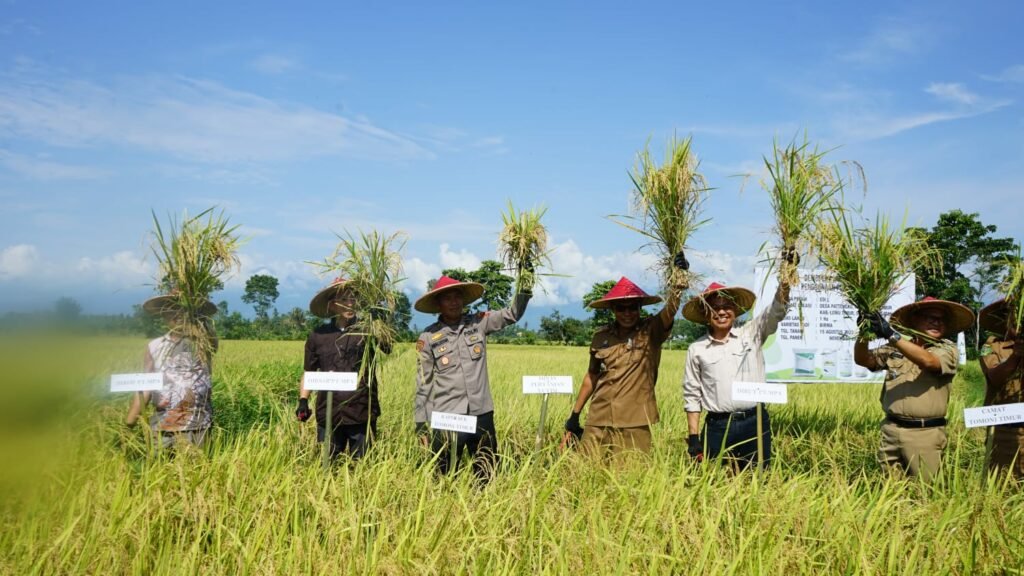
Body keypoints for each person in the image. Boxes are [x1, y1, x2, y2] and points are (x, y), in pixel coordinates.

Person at [561, 252, 688, 456]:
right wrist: (574, 415)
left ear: (640, 308)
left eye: (633, 308)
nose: (627, 313)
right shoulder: (601, 337)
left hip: (634, 421)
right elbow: (592, 376)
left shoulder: (650, 331)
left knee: (632, 471)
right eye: (621, 308)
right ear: (613, 309)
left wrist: (678, 283)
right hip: (598, 418)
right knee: (587, 469)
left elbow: (670, 310)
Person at [413, 275, 531, 481]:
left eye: (457, 297)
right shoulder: (428, 337)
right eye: (447, 298)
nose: (454, 302)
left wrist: (526, 284)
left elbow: (512, 313)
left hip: (481, 413)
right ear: (438, 304)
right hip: (448, 416)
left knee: (487, 473)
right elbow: (424, 382)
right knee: (443, 477)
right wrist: (421, 423)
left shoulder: (479, 323)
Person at [854, 297, 974, 481]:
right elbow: (863, 359)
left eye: (941, 319)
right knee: (889, 488)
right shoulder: (894, 349)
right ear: (914, 320)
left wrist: (891, 334)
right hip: (891, 430)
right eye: (930, 317)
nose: (936, 322)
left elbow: (929, 361)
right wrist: (864, 332)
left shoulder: (947, 349)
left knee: (926, 490)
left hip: (924, 434)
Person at [682, 275, 791, 470]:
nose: (721, 312)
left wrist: (786, 279)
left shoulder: (752, 333)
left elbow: (776, 310)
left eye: (726, 306)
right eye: (714, 308)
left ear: (734, 310)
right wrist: (694, 437)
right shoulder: (697, 349)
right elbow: (692, 395)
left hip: (754, 422)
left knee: (758, 478)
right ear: (706, 313)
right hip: (717, 426)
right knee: (713, 480)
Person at [296, 278, 390, 462]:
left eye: (353, 299)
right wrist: (303, 401)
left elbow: (387, 348)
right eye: (344, 299)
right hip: (329, 411)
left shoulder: (367, 330)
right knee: (328, 463)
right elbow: (310, 372)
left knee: (363, 463)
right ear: (332, 305)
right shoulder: (318, 335)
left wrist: (378, 322)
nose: (350, 304)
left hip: (361, 409)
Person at [125, 295, 218, 452]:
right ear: (163, 314)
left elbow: (211, 338)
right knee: (158, 464)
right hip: (162, 425)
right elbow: (145, 385)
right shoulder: (155, 346)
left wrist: (197, 314)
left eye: (183, 309)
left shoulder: (203, 343)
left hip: (197, 425)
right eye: (172, 310)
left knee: (198, 466)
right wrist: (129, 423)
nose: (178, 314)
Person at [978, 298, 1024, 478]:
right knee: (1003, 481)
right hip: (1005, 431)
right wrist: (1016, 356)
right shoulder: (991, 345)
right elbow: (995, 378)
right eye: (1015, 316)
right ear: (1005, 319)